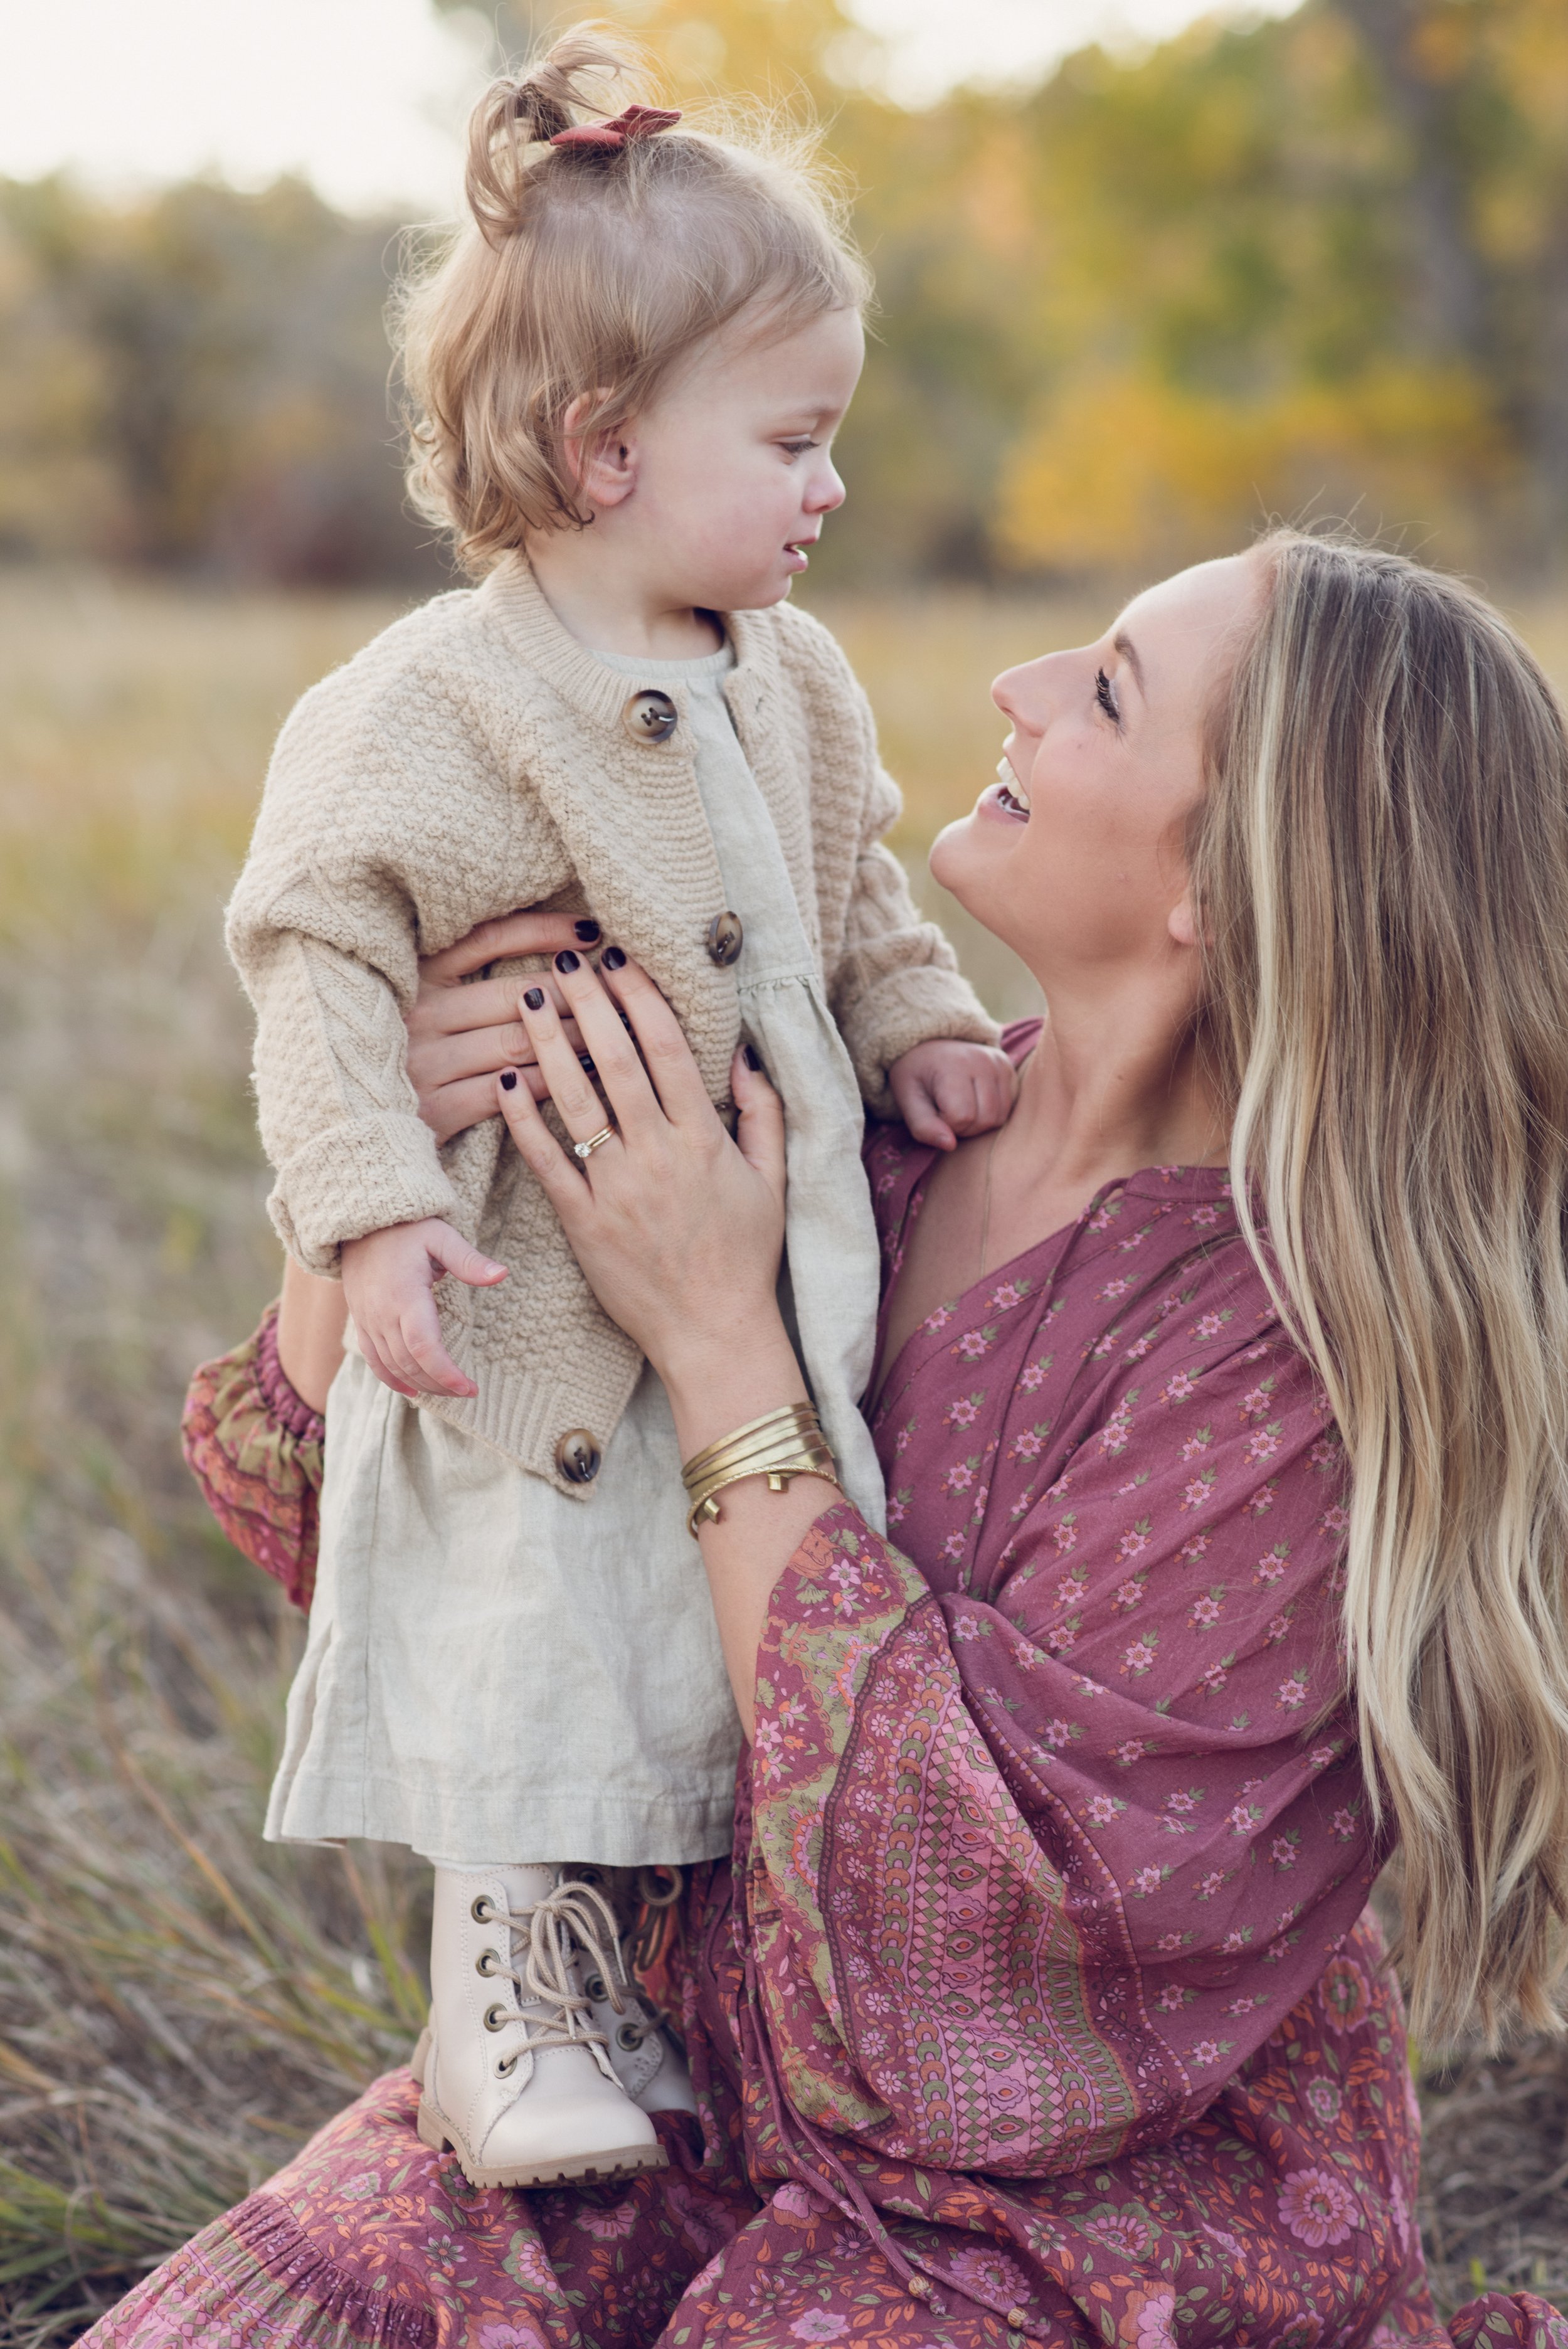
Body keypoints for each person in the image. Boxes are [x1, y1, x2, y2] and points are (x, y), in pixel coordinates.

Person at [139, 529, 1568, 2347]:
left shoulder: (1283, 1358)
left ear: (1225, 877)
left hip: (1074, 2186)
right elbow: (387, 1559)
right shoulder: (839, 1114)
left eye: (1106, 688)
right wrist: (372, 1193)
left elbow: (997, 1960)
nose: (1017, 687)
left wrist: (724, 1342)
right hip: (642, 2066)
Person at [221, 29, 1013, 2192]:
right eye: (793, 439)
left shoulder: (803, 673)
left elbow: (853, 885)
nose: (828, 488)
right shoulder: (430, 704)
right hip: (524, 1295)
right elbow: (322, 960)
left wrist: (927, 1016)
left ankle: (695, 1963)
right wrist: (373, 1209)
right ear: (600, 451)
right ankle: (508, 1977)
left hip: (749, 1284)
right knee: (530, 1633)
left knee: (684, 1637)